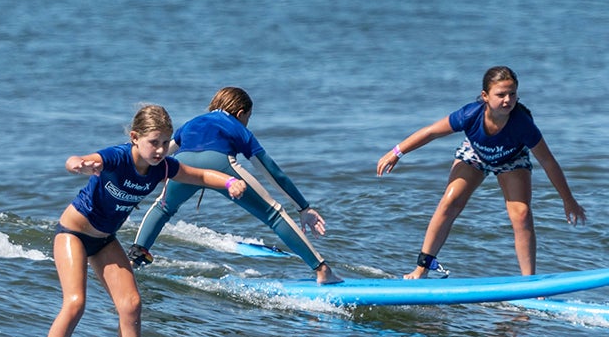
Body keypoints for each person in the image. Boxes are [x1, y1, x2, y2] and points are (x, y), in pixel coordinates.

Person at [33, 104, 247, 337]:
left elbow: (199, 176)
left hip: (105, 239)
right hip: (73, 234)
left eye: (164, 143)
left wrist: (230, 181)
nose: (159, 150)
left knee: (132, 305)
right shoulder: (118, 157)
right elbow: (78, 159)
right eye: (153, 142)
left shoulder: (163, 168)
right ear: (135, 137)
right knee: (75, 302)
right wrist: (78, 165)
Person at [376, 65, 586, 279]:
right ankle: (421, 269)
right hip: (475, 155)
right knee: (450, 202)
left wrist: (568, 199)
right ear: (485, 96)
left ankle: (529, 282)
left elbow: (548, 162)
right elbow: (431, 132)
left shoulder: (523, 125)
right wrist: (396, 152)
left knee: (521, 214)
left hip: (511, 159)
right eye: (501, 94)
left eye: (512, 94)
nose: (507, 100)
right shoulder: (470, 114)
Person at [131, 86, 342, 284]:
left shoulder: (192, 122)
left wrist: (132, 185)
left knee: (163, 208)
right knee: (274, 215)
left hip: (185, 165)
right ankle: (322, 270)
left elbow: (159, 156)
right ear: (241, 113)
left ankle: (135, 259)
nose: (247, 122)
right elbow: (271, 171)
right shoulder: (236, 126)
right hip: (222, 166)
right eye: (248, 118)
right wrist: (303, 207)